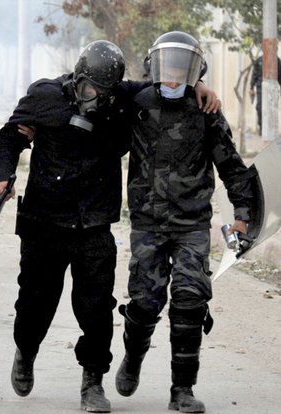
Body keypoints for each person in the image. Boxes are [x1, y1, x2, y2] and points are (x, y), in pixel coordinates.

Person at [0, 40, 221, 413]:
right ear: (77, 79)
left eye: (106, 91)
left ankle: (93, 381)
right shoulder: (45, 95)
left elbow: (166, 84)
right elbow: (8, 138)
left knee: (97, 309)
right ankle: (27, 350)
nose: (96, 98)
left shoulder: (122, 99)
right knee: (35, 304)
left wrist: (197, 85)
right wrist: (4, 177)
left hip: (94, 222)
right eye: (89, 90)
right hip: (44, 223)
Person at [115, 32, 254, 413]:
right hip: (148, 222)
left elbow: (233, 168)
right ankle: (133, 357)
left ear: (195, 73)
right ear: (154, 69)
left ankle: (182, 390)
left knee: (191, 301)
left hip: (192, 223)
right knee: (145, 302)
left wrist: (242, 217)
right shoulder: (137, 104)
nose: (174, 79)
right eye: (167, 70)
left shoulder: (205, 111)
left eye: (183, 72)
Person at [248, 54, 281, 136]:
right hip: (261, 87)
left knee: (272, 109)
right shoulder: (259, 60)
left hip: (273, 88)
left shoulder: (277, 61)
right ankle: (262, 127)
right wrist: (251, 87)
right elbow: (254, 75)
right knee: (259, 107)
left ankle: (271, 129)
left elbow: (280, 76)